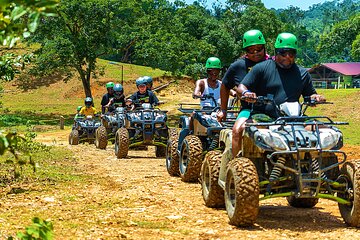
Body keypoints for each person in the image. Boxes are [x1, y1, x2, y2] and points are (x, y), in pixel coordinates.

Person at [235, 32, 325, 156]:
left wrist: (316, 97)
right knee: (242, 129)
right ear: (276, 52)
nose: (287, 56)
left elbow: (310, 95)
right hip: (265, 116)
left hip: (295, 118)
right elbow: (241, 87)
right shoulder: (261, 68)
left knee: (324, 130)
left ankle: (323, 167)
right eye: (283, 52)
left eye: (291, 53)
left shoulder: (303, 74)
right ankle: (236, 164)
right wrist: (246, 93)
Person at [216, 29, 269, 158]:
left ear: (264, 48)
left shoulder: (273, 64)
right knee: (237, 130)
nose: (255, 53)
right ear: (246, 51)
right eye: (251, 50)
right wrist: (223, 110)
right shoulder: (238, 66)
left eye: (259, 49)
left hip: (272, 109)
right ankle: (236, 165)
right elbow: (224, 86)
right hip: (249, 109)